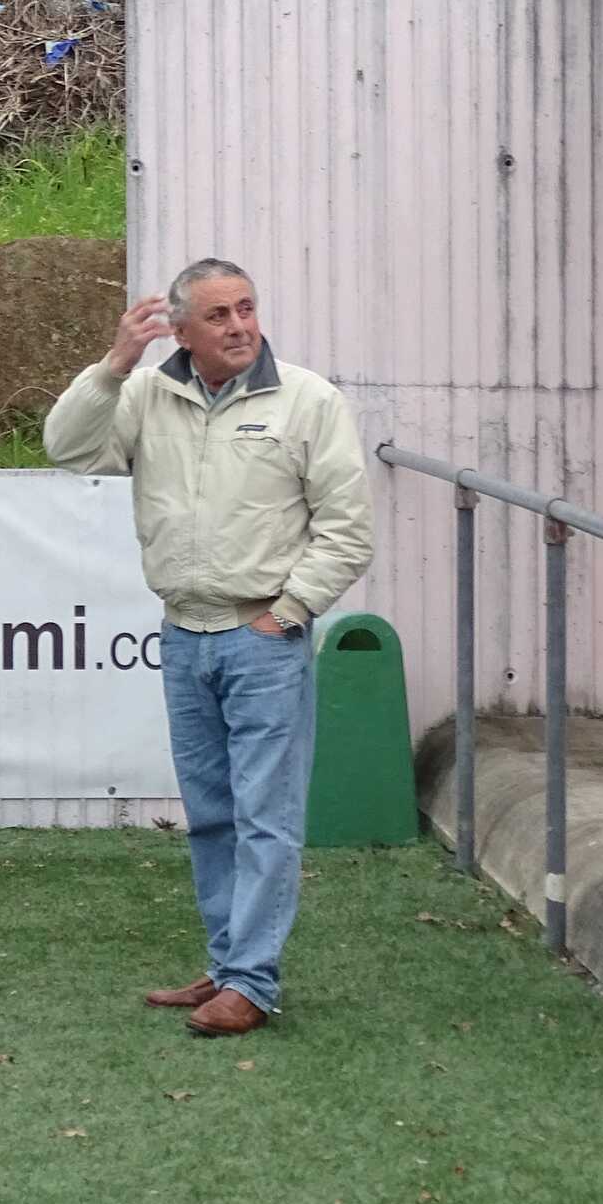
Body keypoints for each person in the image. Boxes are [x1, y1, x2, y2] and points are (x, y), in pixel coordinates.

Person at [44, 258, 373, 1037]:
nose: (239, 327)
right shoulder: (144, 395)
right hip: (184, 635)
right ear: (181, 332)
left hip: (264, 639)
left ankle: (251, 982)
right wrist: (115, 365)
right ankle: (229, 965)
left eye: (246, 309)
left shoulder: (308, 400)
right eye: (219, 315)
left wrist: (288, 613)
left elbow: (348, 530)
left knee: (266, 817)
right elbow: (66, 448)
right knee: (213, 816)